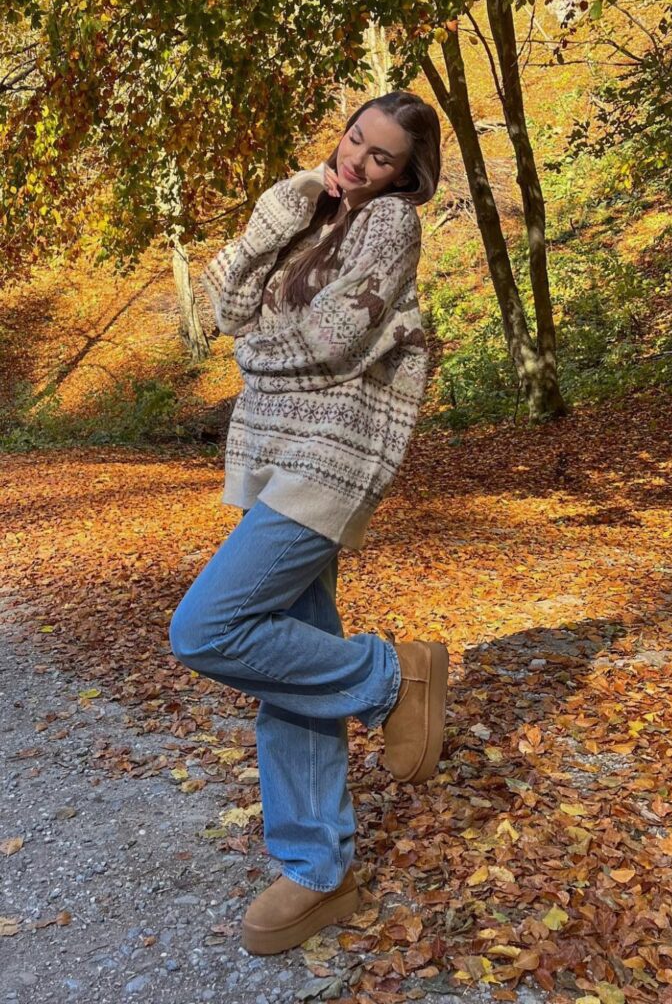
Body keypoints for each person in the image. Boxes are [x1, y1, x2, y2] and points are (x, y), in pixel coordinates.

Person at [168, 91, 449, 956]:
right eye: (353, 141)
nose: (358, 163)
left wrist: (250, 360)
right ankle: (318, 871)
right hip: (271, 456)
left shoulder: (389, 227)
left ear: (407, 174)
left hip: (329, 457)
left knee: (207, 628)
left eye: (381, 158)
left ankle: (388, 678)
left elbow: (326, 340)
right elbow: (229, 307)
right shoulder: (313, 217)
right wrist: (281, 208)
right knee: (290, 667)